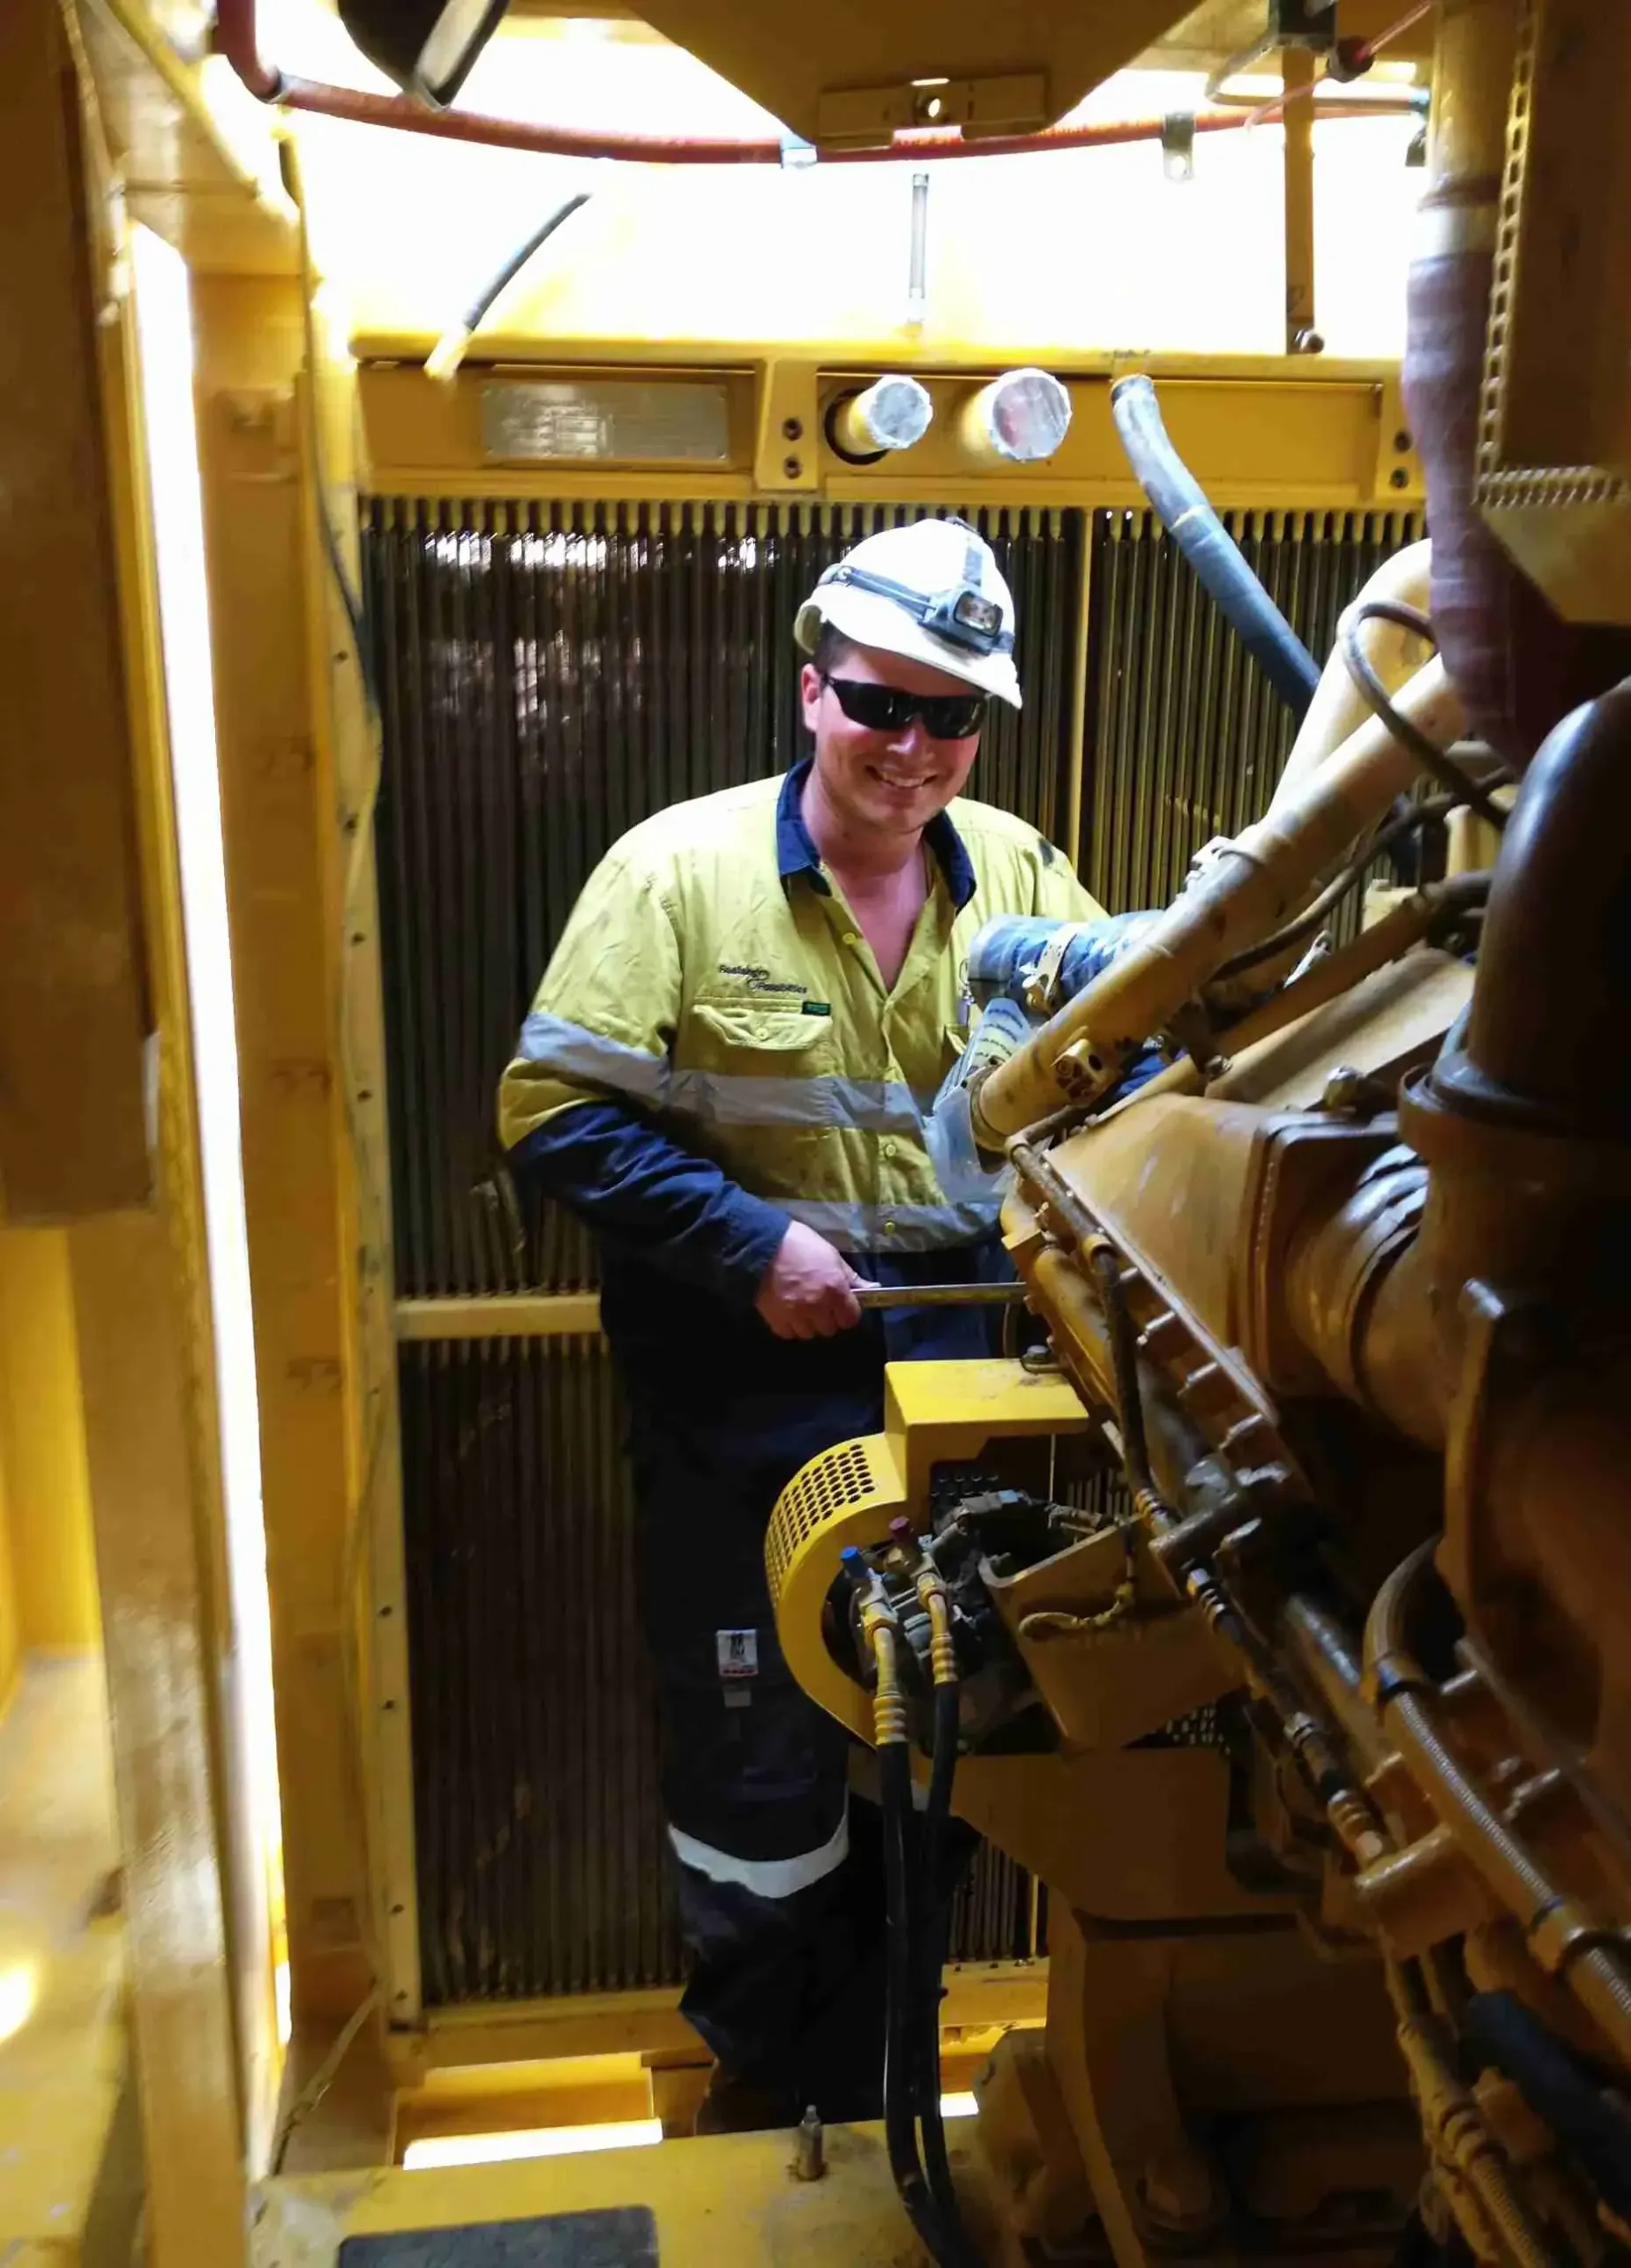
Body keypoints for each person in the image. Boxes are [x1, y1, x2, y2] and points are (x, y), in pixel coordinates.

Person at [498, 516, 1104, 2131]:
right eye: (879, 704)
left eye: (951, 717)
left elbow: (1122, 1086)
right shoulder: (677, 873)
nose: (913, 749)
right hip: (748, 1422)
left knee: (948, 1748)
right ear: (809, 691)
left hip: (973, 1413)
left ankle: (894, 2078)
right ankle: (775, 2103)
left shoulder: (1031, 877)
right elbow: (551, 1112)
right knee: (763, 1786)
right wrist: (748, 1240)